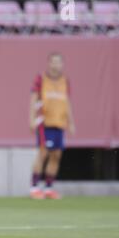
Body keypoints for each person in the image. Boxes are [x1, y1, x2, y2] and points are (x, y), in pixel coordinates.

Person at [29, 52, 76, 200]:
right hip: (45, 122)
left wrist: (71, 121)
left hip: (59, 122)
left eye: (59, 62)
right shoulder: (41, 79)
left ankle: (49, 188)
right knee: (43, 153)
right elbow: (33, 99)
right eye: (53, 62)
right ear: (49, 63)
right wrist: (31, 119)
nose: (56, 65)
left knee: (56, 155)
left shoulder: (64, 81)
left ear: (62, 64)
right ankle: (35, 187)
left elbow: (67, 102)